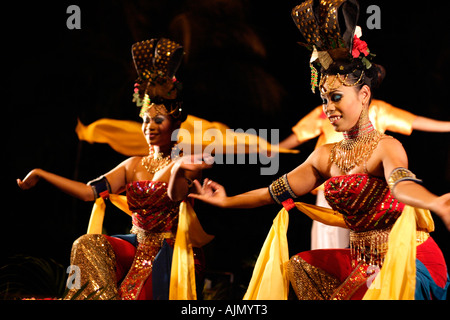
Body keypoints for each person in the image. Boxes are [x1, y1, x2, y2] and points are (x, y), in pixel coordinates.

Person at [189, 0, 449, 300]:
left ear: (364, 95)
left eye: (336, 97)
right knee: (302, 266)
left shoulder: (385, 147)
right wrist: (227, 201)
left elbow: (402, 185)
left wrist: (437, 203)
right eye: (325, 99)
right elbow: (274, 192)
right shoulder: (324, 155)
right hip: (364, 261)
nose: (329, 108)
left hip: (407, 257)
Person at [17, 38, 213, 300]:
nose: (149, 126)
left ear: (174, 123)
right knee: (87, 243)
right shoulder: (132, 164)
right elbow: (89, 193)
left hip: (171, 250)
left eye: (158, 120)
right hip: (136, 244)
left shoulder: (188, 163)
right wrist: (42, 173)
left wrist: (176, 168)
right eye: (145, 120)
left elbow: (176, 196)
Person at [280, 100, 450, 251]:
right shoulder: (327, 110)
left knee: (366, 244)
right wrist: (272, 149)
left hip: (368, 190)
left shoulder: (377, 109)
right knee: (327, 243)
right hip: (331, 188)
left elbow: (413, 121)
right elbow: (299, 135)